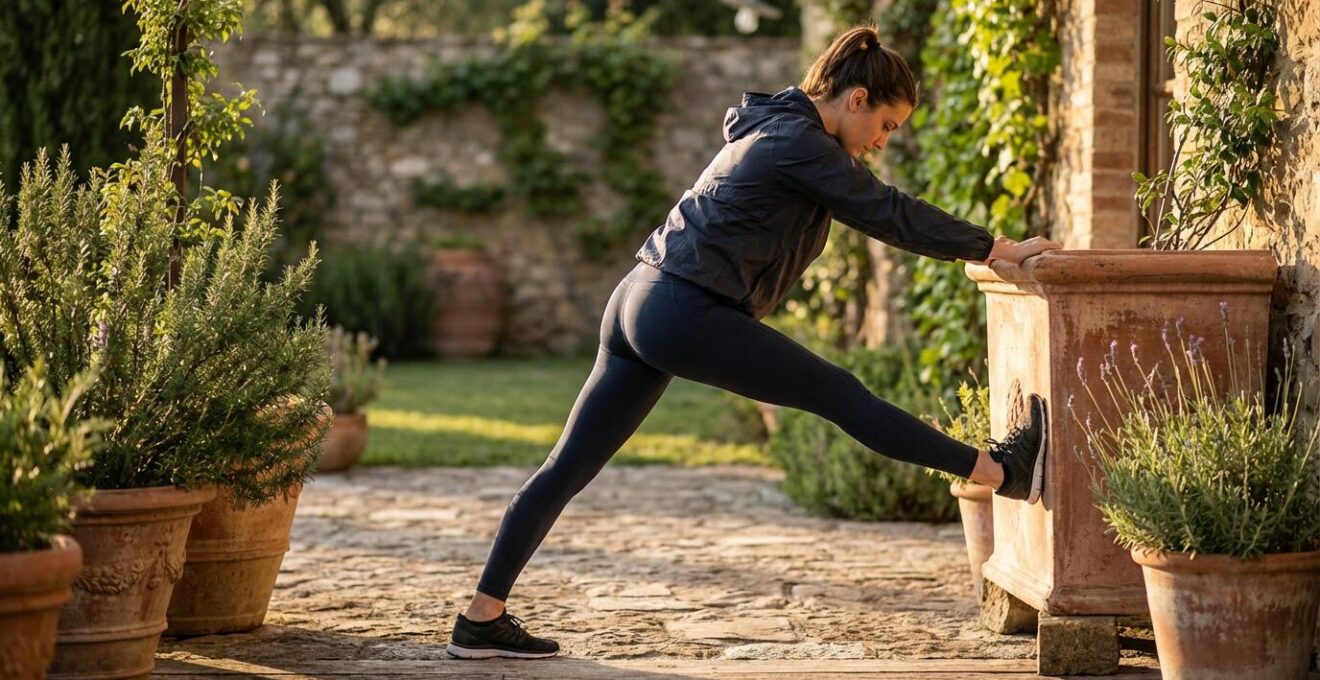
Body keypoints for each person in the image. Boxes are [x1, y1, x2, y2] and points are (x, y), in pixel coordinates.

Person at [445, 25, 1061, 660]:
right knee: (839, 393)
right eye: (886, 124)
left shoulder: (773, 127)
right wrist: (995, 247)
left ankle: (480, 619)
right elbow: (889, 213)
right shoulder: (803, 144)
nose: (881, 141)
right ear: (854, 100)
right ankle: (1002, 472)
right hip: (681, 307)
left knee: (565, 467)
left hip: (638, 296)